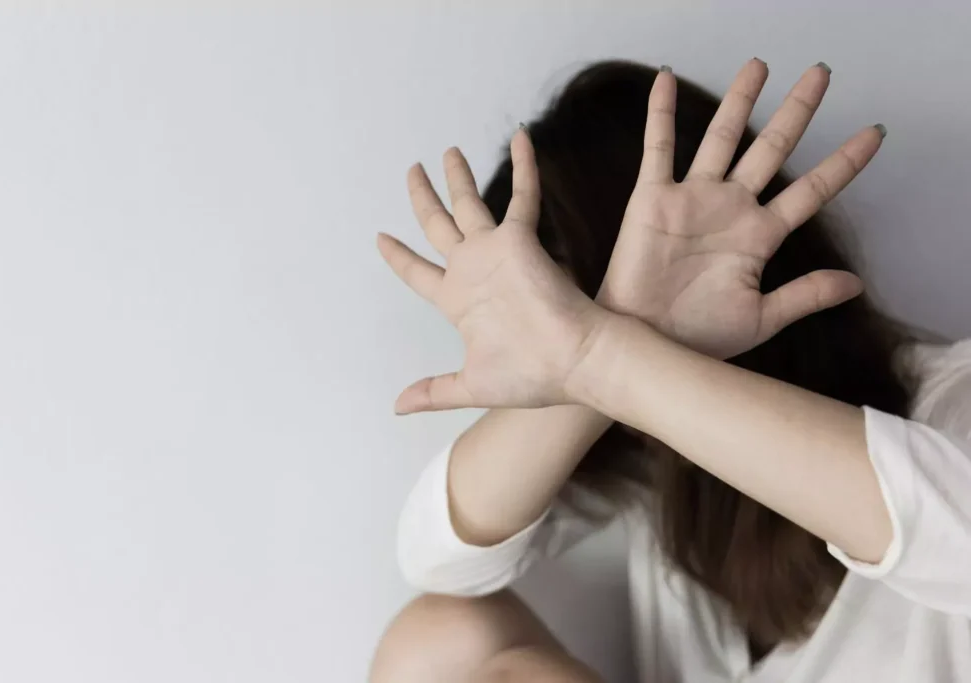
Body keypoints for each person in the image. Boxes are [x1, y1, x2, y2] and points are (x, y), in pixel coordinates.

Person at [369, 59, 971, 683]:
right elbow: (437, 564)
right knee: (436, 645)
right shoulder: (646, 474)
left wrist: (610, 355)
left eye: (584, 321)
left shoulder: (952, 398)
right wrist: (597, 357)